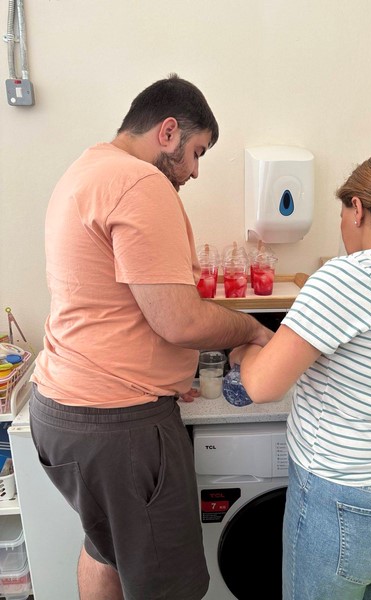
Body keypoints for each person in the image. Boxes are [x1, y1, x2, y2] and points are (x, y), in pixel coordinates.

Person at [29, 74, 273, 600]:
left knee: (105, 548)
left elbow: (116, 306)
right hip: (118, 426)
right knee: (169, 588)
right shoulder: (142, 184)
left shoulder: (85, 170)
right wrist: (253, 328)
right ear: (167, 132)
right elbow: (180, 321)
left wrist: (167, 372)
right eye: (196, 152)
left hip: (63, 408)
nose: (195, 171)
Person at [230, 153, 371, 600]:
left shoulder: (350, 277)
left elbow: (262, 386)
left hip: (345, 502)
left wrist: (246, 348)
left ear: (357, 209)